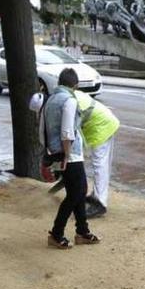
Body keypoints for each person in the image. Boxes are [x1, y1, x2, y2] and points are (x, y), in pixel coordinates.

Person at [44, 68, 100, 249]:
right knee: (78, 192)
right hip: (70, 154)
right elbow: (67, 130)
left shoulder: (50, 99)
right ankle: (57, 233)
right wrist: (67, 154)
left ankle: (82, 231)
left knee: (77, 191)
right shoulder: (69, 100)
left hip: (55, 151)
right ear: (75, 85)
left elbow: (41, 129)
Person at [73, 89, 119, 218]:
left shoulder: (67, 102)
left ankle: (100, 203)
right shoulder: (70, 95)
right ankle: (97, 195)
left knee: (100, 166)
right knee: (103, 165)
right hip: (105, 123)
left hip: (101, 127)